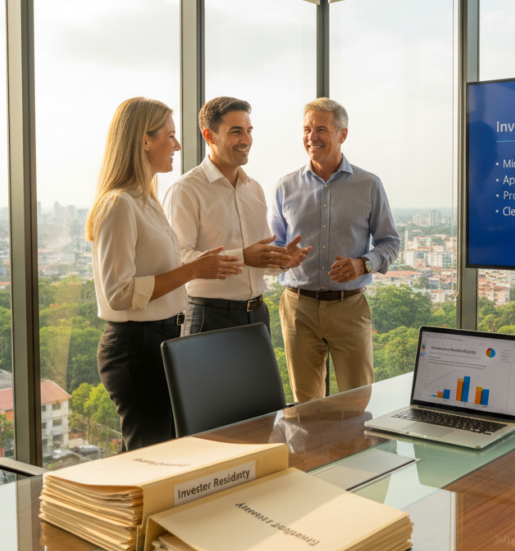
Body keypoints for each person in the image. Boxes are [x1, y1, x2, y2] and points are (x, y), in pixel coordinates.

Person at [87, 97, 241, 451]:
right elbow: (119, 293)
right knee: (148, 458)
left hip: (161, 340)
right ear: (144, 140)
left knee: (161, 452)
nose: (177, 145)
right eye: (169, 136)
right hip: (135, 346)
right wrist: (192, 270)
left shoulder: (146, 200)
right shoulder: (119, 204)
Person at [270, 98, 401, 402]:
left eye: (320, 129)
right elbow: (274, 248)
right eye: (306, 129)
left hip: (349, 307)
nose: (311, 136)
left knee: (357, 401)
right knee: (306, 404)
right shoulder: (284, 187)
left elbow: (390, 241)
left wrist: (363, 264)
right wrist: (281, 258)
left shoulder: (369, 185)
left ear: (342, 134)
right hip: (297, 308)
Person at [163, 97, 310, 336]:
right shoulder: (186, 190)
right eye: (236, 132)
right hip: (208, 316)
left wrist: (281, 260)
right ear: (209, 136)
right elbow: (177, 259)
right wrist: (242, 257)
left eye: (249, 131)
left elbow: (258, 259)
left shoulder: (255, 189)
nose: (246, 140)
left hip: (257, 315)